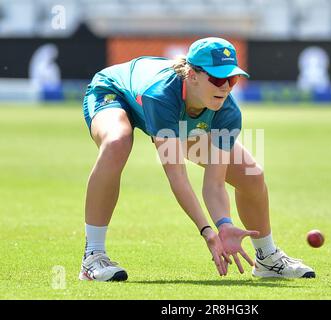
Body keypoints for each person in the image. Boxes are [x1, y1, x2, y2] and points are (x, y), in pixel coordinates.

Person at [80, 37, 315, 281]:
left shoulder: (228, 112)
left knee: (250, 173)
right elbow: (177, 176)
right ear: (192, 75)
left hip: (179, 115)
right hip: (115, 92)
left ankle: (267, 257)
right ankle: (93, 257)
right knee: (118, 142)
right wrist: (206, 232)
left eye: (231, 79)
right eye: (216, 79)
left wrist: (224, 225)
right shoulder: (161, 95)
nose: (225, 87)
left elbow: (214, 184)